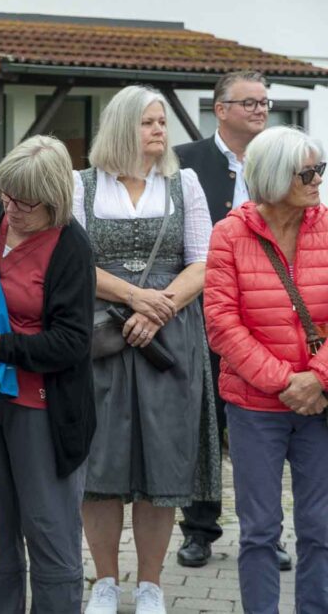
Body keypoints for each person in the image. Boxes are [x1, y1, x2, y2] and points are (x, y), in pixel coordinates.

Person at [77, 85, 219, 614]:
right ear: (121, 127)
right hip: (101, 332)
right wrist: (134, 297)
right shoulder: (80, 185)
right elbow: (72, 264)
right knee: (101, 463)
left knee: (163, 461)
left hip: (171, 334)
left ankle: (152, 584)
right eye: (149, 122)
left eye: (162, 122)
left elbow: (203, 261)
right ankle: (105, 581)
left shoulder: (185, 183)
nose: (160, 131)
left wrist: (157, 308)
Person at [0, 136, 96, 613]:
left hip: (42, 409)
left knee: (51, 538)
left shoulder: (71, 245)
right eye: (6, 193)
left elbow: (73, 343)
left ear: (55, 199)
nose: (12, 207)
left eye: (25, 201)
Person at [204, 126, 328, 614]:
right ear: (276, 176)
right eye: (307, 171)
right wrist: (286, 382)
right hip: (255, 407)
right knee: (259, 531)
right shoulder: (228, 234)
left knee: (320, 526)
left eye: (320, 169)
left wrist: (317, 378)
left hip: (319, 404)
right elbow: (222, 325)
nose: (318, 178)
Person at [174, 70, 291, 570]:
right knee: (204, 421)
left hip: (270, 311)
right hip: (203, 308)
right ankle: (199, 529)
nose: (261, 111)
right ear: (221, 109)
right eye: (250, 104)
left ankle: (269, 535)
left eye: (265, 103)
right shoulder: (185, 161)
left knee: (266, 427)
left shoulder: (283, 156)